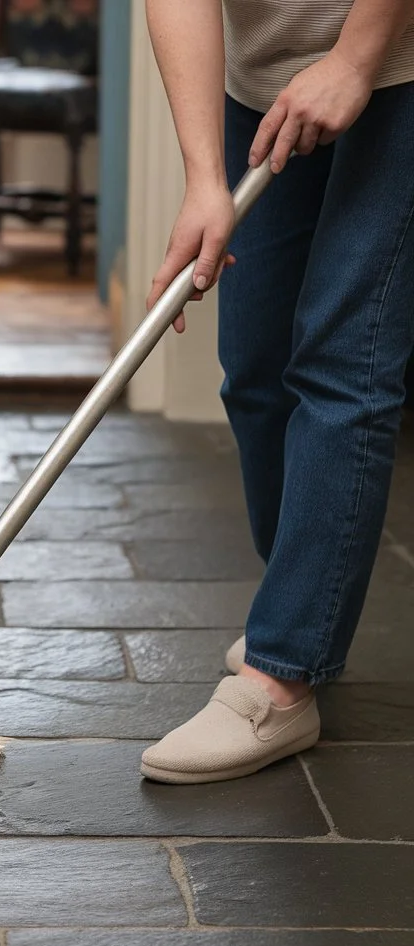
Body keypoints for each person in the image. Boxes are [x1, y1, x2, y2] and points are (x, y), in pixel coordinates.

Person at [138, 0, 414, 784]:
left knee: (343, 360)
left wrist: (356, 61)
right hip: (261, 83)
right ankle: (300, 604)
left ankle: (283, 678)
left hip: (400, 63)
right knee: (255, 369)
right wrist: (203, 178)